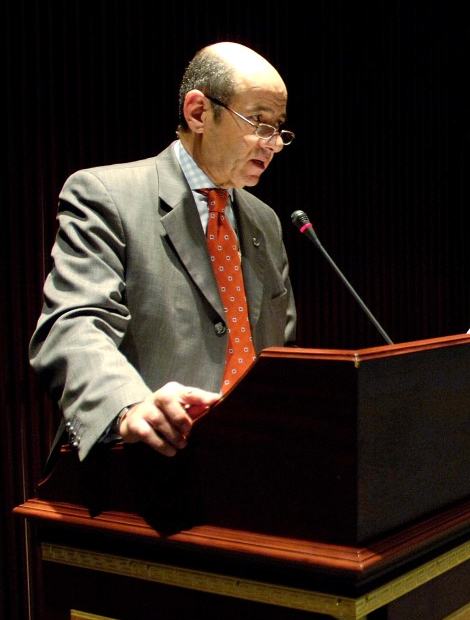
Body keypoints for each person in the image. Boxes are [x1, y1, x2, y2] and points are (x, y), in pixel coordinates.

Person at [29, 42, 297, 461]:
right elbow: (74, 324)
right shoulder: (106, 196)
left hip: (245, 470)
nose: (272, 143)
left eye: (278, 127)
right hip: (139, 470)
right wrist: (129, 406)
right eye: (258, 121)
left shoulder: (265, 221)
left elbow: (279, 353)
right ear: (198, 113)